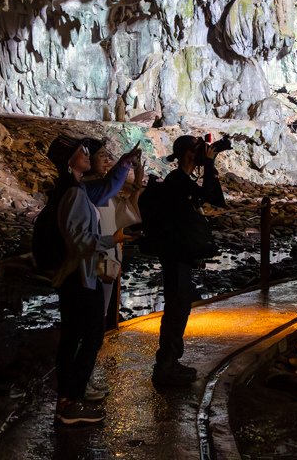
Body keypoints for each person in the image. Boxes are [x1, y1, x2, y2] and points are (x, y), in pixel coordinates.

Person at [46, 134, 140, 425]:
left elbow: (108, 187)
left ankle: (69, 398)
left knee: (75, 337)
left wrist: (125, 165)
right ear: (69, 162)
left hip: (79, 276)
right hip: (80, 277)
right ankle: (71, 400)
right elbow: (80, 241)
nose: (87, 154)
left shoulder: (75, 190)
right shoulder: (74, 194)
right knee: (89, 336)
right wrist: (115, 238)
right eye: (81, 152)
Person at [152, 135, 225, 387]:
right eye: (197, 151)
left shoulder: (182, 180)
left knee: (180, 304)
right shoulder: (176, 180)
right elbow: (204, 194)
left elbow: (214, 199)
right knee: (176, 305)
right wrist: (210, 164)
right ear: (187, 154)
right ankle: (166, 365)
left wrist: (209, 167)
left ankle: (170, 362)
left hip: (180, 252)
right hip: (174, 253)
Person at [79, 144, 146, 400]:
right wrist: (126, 167)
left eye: (109, 157)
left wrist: (137, 181)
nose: (107, 160)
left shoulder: (101, 191)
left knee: (97, 323)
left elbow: (124, 213)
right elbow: (113, 197)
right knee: (90, 325)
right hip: (93, 261)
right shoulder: (88, 191)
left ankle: (86, 376)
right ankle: (80, 381)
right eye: (101, 157)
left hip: (106, 261)